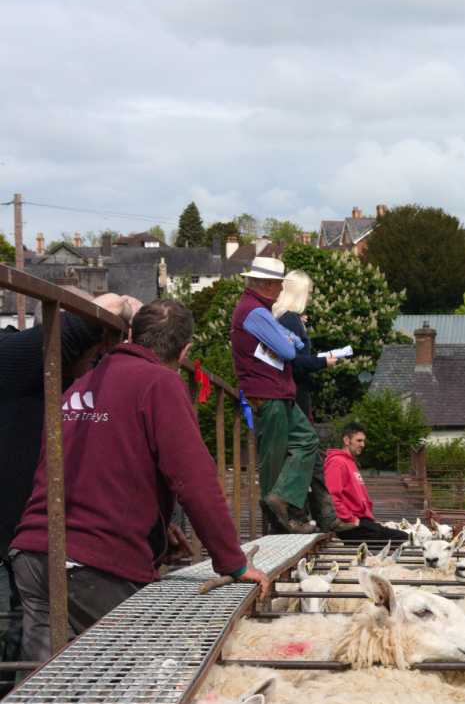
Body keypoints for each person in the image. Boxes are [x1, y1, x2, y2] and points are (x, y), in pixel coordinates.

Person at [10, 300, 269, 661]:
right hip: (95, 565)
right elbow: (195, 481)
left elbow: (84, 471)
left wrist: (158, 537)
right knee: (137, 679)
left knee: (47, 687)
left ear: (132, 335)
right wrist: (234, 563)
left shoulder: (82, 384)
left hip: (34, 555)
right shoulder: (160, 383)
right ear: (185, 351)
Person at [0, 296, 133, 668]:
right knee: (21, 643)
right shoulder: (14, 356)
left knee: (28, 641)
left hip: (25, 539)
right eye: (93, 358)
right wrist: (123, 309)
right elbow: (82, 322)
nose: (89, 371)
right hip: (16, 540)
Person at [230, 256, 319, 534]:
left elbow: (289, 343)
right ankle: (278, 520)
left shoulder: (257, 310)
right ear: (268, 285)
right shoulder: (255, 312)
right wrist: (289, 340)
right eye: (279, 284)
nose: (281, 290)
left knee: (305, 441)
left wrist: (288, 340)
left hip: (275, 393)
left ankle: (280, 504)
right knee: (275, 458)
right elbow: (292, 350)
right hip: (269, 394)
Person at [273, 269, 342, 532]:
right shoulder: (290, 319)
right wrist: (323, 361)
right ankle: (310, 515)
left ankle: (318, 515)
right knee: (306, 450)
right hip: (296, 393)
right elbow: (297, 362)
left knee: (306, 452)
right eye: (308, 292)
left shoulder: (283, 318)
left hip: (291, 393)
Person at [324, 422, 407, 543]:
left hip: (362, 521)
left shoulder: (350, 462)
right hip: (350, 525)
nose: (363, 444)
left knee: (400, 536)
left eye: (363, 441)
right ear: (347, 440)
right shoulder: (337, 462)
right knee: (402, 538)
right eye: (359, 440)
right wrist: (351, 519)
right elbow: (332, 497)